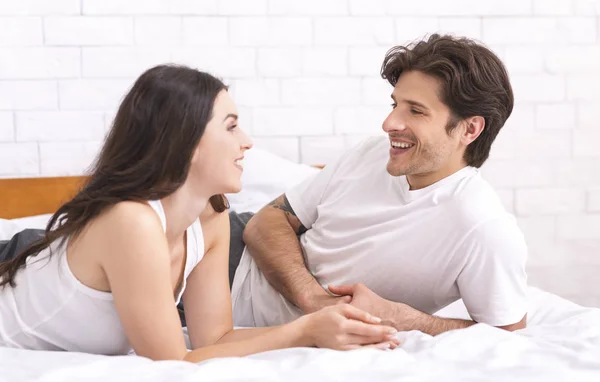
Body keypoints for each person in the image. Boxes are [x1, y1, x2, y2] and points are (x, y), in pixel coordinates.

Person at [0, 65, 401, 362]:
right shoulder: (132, 221)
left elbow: (212, 341)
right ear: (187, 142)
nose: (246, 142)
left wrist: (312, 331)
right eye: (230, 127)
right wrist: (306, 329)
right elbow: (172, 362)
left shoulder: (211, 217)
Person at [230, 34, 529, 336]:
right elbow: (264, 222)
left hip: (232, 308)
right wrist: (313, 299)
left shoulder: (483, 228)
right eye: (395, 104)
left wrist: (406, 319)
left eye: (415, 110)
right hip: (229, 254)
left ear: (470, 129)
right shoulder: (370, 153)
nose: (389, 123)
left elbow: (507, 334)